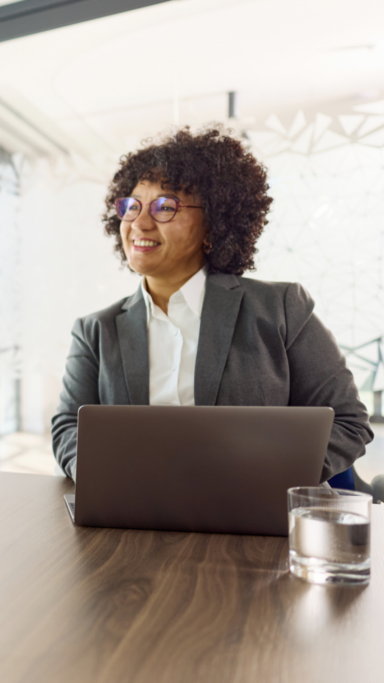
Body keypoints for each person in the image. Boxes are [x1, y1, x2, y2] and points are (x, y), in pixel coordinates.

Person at [51, 125, 372, 483]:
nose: (139, 223)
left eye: (164, 207)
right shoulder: (95, 331)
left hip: (253, 509)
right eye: (132, 205)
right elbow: (68, 428)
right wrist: (108, 480)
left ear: (214, 223)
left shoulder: (281, 309)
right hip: (136, 509)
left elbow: (348, 422)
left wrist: (267, 479)